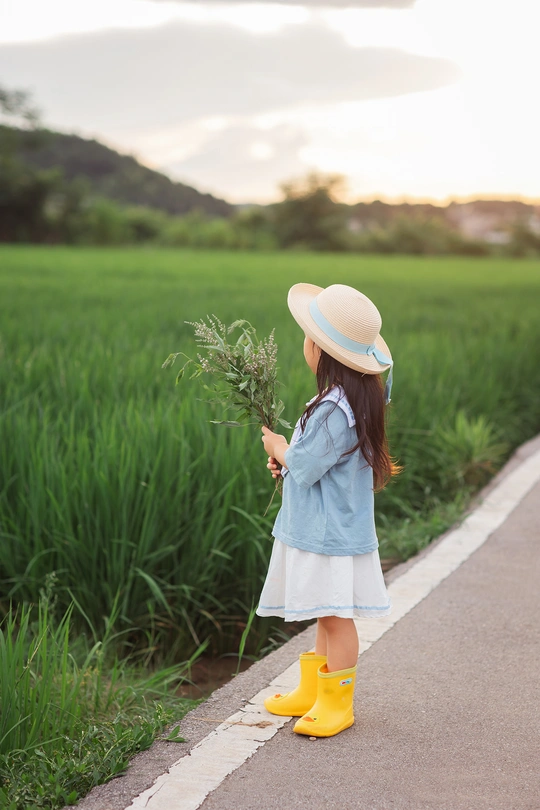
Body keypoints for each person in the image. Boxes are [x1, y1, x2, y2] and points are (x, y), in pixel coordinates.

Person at [257, 282, 399, 738]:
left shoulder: (334, 407)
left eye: (307, 337)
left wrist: (280, 445)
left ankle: (338, 705)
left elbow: (309, 463)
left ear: (320, 349)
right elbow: (312, 464)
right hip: (324, 527)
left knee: (336, 617)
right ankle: (313, 691)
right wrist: (288, 460)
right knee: (325, 610)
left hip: (329, 534)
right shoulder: (349, 399)